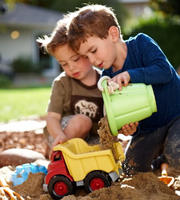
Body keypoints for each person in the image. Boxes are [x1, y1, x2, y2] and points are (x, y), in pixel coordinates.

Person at [68, 4, 180, 175]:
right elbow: (120, 111)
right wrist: (127, 128)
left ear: (113, 34)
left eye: (93, 50)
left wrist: (130, 75)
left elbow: (164, 72)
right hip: (149, 129)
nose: (91, 59)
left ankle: (167, 156)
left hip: (177, 114)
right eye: (86, 56)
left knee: (177, 154)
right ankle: (159, 161)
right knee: (130, 170)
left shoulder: (141, 44)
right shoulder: (107, 79)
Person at [37, 17, 103, 157]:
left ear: (87, 51)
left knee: (103, 149)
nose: (71, 67)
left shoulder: (104, 82)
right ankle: (58, 153)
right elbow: (52, 118)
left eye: (75, 59)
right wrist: (60, 136)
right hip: (62, 133)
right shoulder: (62, 83)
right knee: (82, 121)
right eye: (64, 64)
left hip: (90, 139)